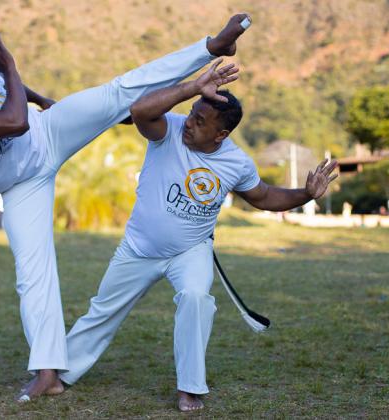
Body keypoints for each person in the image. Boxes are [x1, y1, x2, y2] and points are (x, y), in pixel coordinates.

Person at [0, 14, 250, 401]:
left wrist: (39, 99)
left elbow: (12, 96)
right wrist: (9, 68)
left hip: (49, 131)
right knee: (34, 273)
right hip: (21, 184)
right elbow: (13, 122)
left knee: (119, 91)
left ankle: (210, 47)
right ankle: (47, 373)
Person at [59, 71, 338, 411]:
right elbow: (141, 111)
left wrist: (305, 195)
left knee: (195, 297)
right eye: (192, 112)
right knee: (102, 310)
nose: (189, 123)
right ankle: (58, 375)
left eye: (200, 121)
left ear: (220, 134)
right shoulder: (169, 131)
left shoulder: (236, 163)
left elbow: (263, 197)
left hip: (190, 250)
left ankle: (189, 388)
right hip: (139, 247)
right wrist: (192, 87)